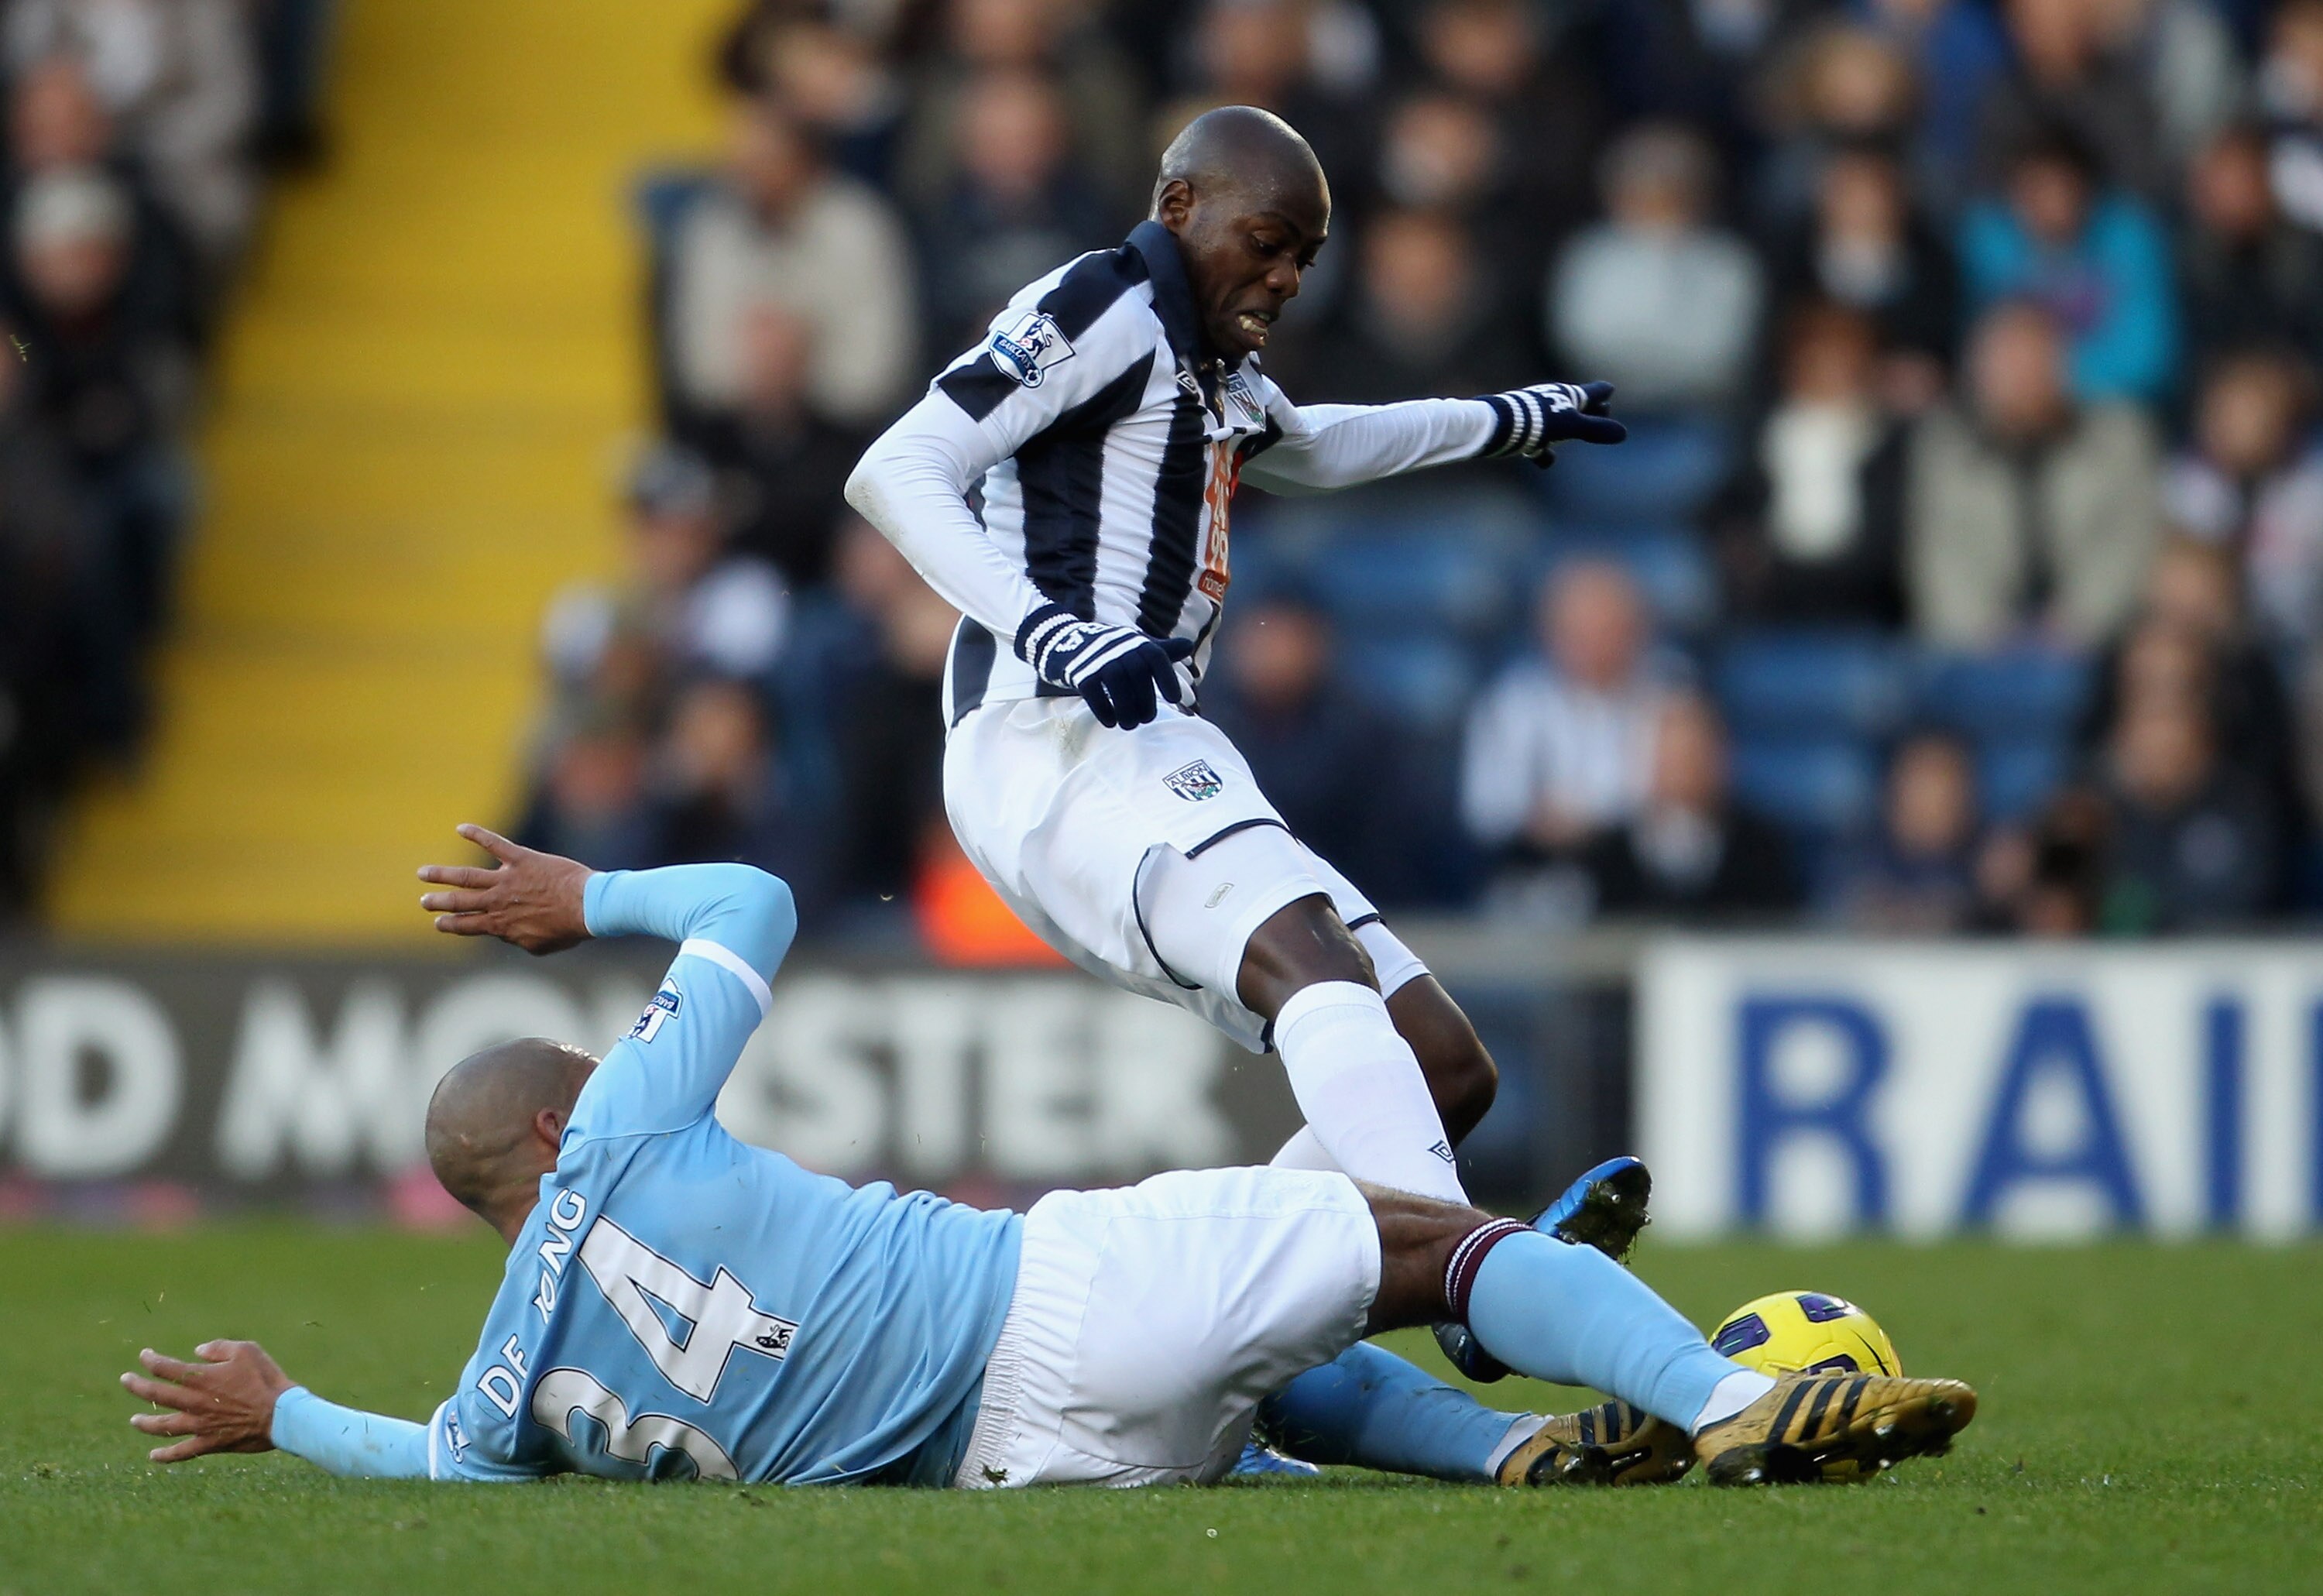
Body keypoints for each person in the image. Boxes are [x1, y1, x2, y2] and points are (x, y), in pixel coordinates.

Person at [119, 830, 1978, 1488]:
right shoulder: (615, 1118)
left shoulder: (504, 1383)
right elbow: (758, 896)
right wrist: (582, 897)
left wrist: (282, 1407)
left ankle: (1509, 1451)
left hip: (1021, 1474)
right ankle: (1719, 1391)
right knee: (1423, 1235)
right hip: (1040, 1302)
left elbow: (439, 1471)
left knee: (1281, 1376)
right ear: (548, 1125)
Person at [844, 106, 1632, 1381]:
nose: (1282, 280)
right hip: (1045, 738)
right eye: (1265, 244)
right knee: (1312, 967)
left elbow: (1310, 447)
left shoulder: (1208, 361)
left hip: (1143, 742)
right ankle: (1478, 1268)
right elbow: (897, 468)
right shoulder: (1106, 303)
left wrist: (1499, 421)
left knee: (1441, 1066)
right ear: (1178, 212)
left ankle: (1236, 1323)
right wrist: (1044, 629)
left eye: (1302, 260)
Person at [1904, 300, 2160, 647]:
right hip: (1975, 652)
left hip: (2099, 643)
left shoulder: (2120, 437)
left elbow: (2130, 543)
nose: (2023, 378)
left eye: (2035, 361)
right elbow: (1938, 555)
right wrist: (1985, 635)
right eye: (2008, 363)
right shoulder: (1942, 447)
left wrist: (2077, 622)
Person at [1577, 693, 1799, 922]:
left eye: (1693, 754)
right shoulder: (1609, 855)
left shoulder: (1759, 851)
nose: (1683, 770)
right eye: (1671, 756)